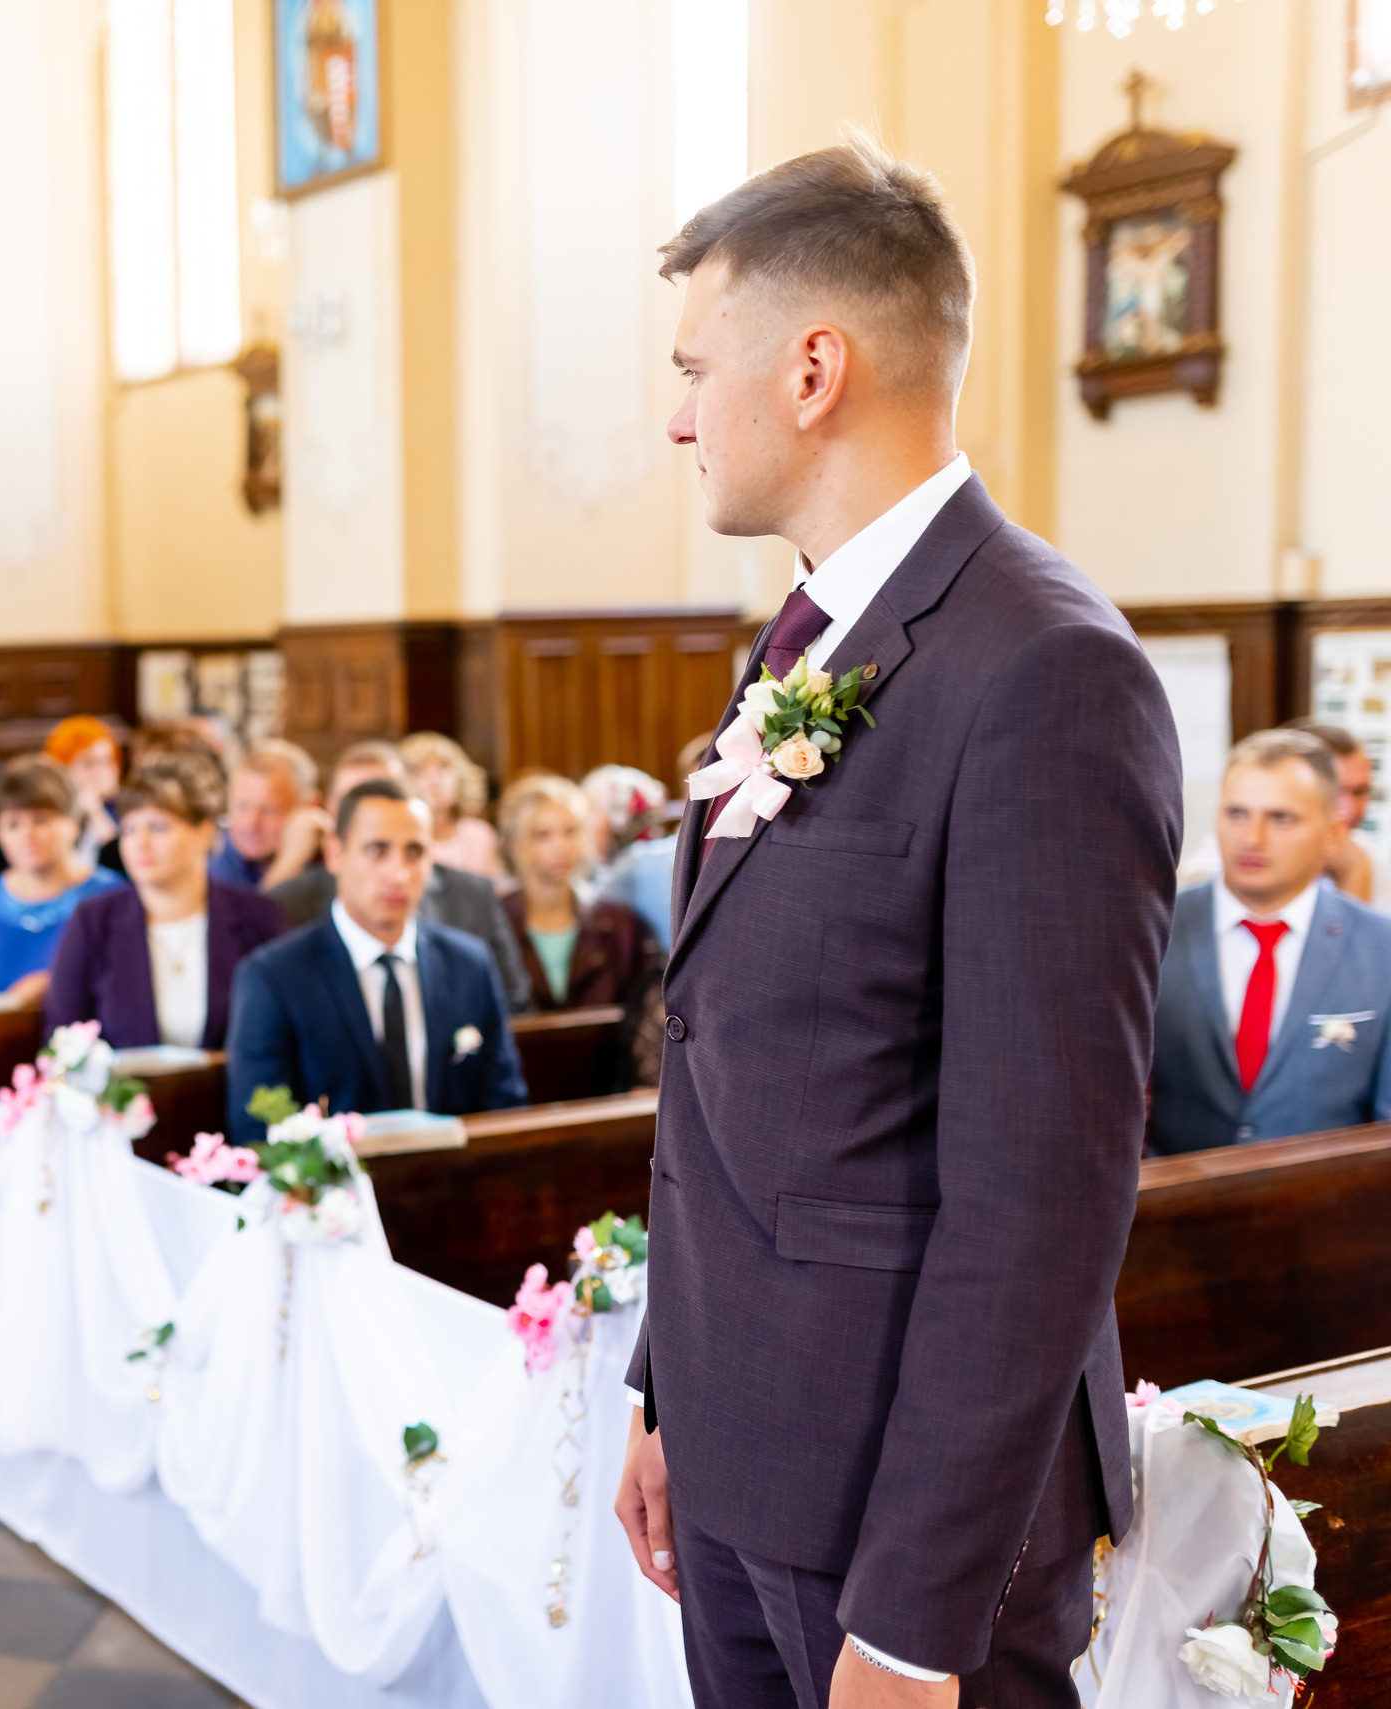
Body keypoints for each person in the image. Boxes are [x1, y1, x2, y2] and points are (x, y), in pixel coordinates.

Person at [611, 139, 1181, 1709]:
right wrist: (668, 1395)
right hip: (740, 1445)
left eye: (694, 370)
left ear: (813, 371)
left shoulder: (1043, 670)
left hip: (896, 1516)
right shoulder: (810, 638)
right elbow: (731, 1065)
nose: (677, 417)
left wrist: (920, 1616)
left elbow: (1044, 1193)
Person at [225, 779, 527, 1143]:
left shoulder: (469, 964)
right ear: (335, 854)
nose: (398, 874)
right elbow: (258, 1128)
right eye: (377, 850)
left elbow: (504, 1105)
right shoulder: (273, 977)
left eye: (414, 852)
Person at [1147, 730, 1391, 1153]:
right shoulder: (1157, 929)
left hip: (1330, 1192)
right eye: (1237, 814)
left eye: (1280, 818)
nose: (1252, 838)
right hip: (1177, 1188)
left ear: (1333, 834)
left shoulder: (1380, 947)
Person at [265, 742, 535, 1012]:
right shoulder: (289, 906)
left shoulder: (472, 900)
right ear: (333, 813)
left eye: (388, 794)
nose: (397, 874)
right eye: (356, 800)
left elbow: (512, 1007)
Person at [46, 748, 288, 1050]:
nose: (141, 844)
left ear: (203, 832)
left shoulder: (259, 918)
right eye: (130, 830)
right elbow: (62, 1040)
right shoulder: (93, 921)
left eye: (158, 828)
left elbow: (286, 1031)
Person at [495, 773, 664, 1087]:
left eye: (570, 831)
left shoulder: (623, 925)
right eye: (542, 835)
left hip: (607, 1086)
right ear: (515, 845)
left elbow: (644, 1018)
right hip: (518, 1088)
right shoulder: (492, 923)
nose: (560, 846)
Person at [0, 754, 126, 1004]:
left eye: (41, 821)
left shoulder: (111, 896)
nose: (26, 835)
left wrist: (61, 984)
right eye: (13, 825)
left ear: (74, 821)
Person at [595, 734, 711, 955]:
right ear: (684, 796)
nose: (710, 800)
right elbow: (590, 910)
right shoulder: (642, 863)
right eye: (701, 787)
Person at [1286, 717, 1376, 904]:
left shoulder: (1376, 864)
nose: (1349, 811)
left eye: (1359, 792)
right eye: (1334, 792)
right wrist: (1354, 870)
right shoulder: (1238, 865)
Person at [210, 739, 316, 891]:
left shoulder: (325, 865)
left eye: (269, 810)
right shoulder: (210, 870)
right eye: (242, 807)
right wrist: (289, 863)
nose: (251, 823)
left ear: (307, 808)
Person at [401, 732, 502, 879]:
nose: (434, 780)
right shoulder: (397, 840)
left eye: (443, 767)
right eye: (420, 770)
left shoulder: (480, 836)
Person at [45, 715, 126, 877]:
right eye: (89, 764)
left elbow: (121, 863)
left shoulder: (123, 808)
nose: (101, 772)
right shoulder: (52, 812)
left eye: (107, 761)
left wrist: (96, 812)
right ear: (62, 768)